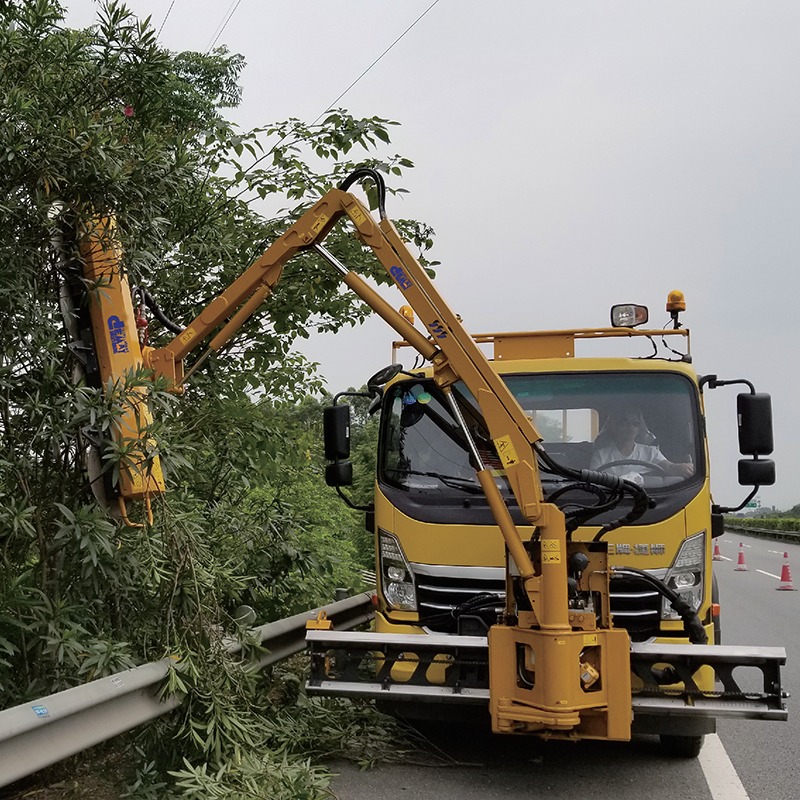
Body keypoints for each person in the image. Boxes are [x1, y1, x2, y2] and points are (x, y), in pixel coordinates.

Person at [589, 408, 694, 482]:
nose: (631, 427)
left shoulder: (651, 452)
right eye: (624, 423)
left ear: (639, 428)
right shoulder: (601, 455)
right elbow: (593, 482)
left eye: (635, 423)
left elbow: (670, 467)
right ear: (614, 427)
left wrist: (681, 467)